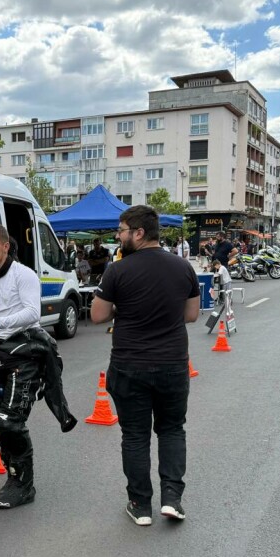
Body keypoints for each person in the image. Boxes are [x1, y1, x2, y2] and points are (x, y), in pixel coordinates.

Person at [90, 206, 200, 525]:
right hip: (172, 364)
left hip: (129, 365)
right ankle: (172, 499)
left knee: (135, 436)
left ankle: (140, 505)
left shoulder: (117, 270)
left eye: (122, 230)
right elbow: (191, 315)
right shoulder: (183, 267)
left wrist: (124, 308)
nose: (117, 235)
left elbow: (97, 315)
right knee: (171, 429)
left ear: (139, 233)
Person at [0, 225, 76, 510]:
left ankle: (24, 486)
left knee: (8, 421)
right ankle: (14, 478)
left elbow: (32, 313)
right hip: (0, 357)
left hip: (29, 355)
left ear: (6, 246)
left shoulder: (24, 275)